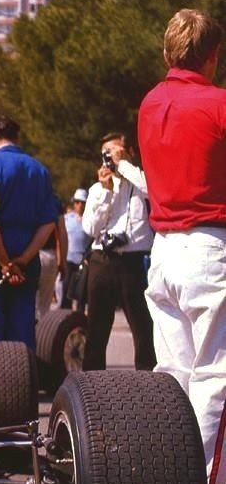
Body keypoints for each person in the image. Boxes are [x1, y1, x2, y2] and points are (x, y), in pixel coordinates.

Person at [138, 8, 226, 484]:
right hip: (209, 246)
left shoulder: (150, 103)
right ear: (212, 56)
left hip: (163, 250)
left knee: (174, 378)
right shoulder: (218, 102)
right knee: (217, 380)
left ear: (168, 53)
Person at [0, 116, 56, 355]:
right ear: (18, 138)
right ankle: (24, 381)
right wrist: (22, 261)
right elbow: (49, 223)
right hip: (27, 252)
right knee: (22, 323)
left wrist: (4, 263)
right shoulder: (39, 170)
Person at [81, 132, 155, 372]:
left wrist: (124, 165)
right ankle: (92, 385)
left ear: (129, 152)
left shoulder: (141, 182)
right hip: (103, 261)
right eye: (106, 153)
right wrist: (106, 192)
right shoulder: (97, 189)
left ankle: (149, 383)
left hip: (134, 263)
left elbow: (151, 189)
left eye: (114, 151)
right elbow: (91, 228)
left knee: (144, 329)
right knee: (96, 330)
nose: (109, 158)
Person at [35, 195, 68, 319]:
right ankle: (42, 335)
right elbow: (62, 233)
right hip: (49, 255)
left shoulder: (24, 193)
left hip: (26, 254)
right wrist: (63, 261)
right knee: (44, 306)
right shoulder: (54, 201)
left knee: (27, 303)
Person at [61, 189, 90, 309]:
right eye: (78, 202)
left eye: (83, 202)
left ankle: (80, 318)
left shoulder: (90, 220)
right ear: (74, 203)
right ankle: (64, 316)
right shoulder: (67, 219)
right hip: (69, 259)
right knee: (66, 288)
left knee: (81, 293)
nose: (80, 205)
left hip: (83, 260)